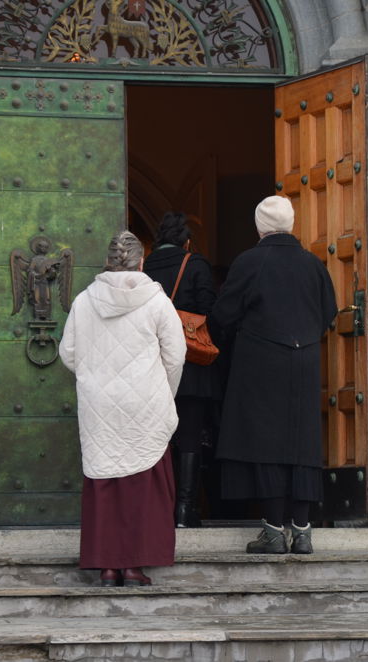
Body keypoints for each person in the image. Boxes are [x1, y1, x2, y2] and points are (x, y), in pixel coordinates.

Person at [210, 196, 337, 554]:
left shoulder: (250, 261)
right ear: (291, 224)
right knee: (302, 443)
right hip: (305, 360)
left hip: (261, 361)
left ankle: (272, 531)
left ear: (259, 226)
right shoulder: (313, 264)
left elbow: (223, 314)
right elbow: (330, 312)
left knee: (266, 443)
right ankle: (303, 531)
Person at [59, 230, 185, 587]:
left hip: (100, 402)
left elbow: (68, 352)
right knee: (141, 482)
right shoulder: (158, 301)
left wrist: (93, 376)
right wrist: (164, 391)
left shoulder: (85, 301)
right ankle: (134, 566)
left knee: (106, 482)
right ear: (141, 262)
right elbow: (175, 355)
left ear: (108, 262)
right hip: (146, 400)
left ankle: (108, 566)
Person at [143, 212, 218, 528]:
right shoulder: (196, 265)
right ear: (186, 241)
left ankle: (157, 510)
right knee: (188, 436)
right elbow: (208, 311)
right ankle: (185, 510)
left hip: (151, 366)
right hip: (191, 365)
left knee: (155, 439)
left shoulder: (144, 268)